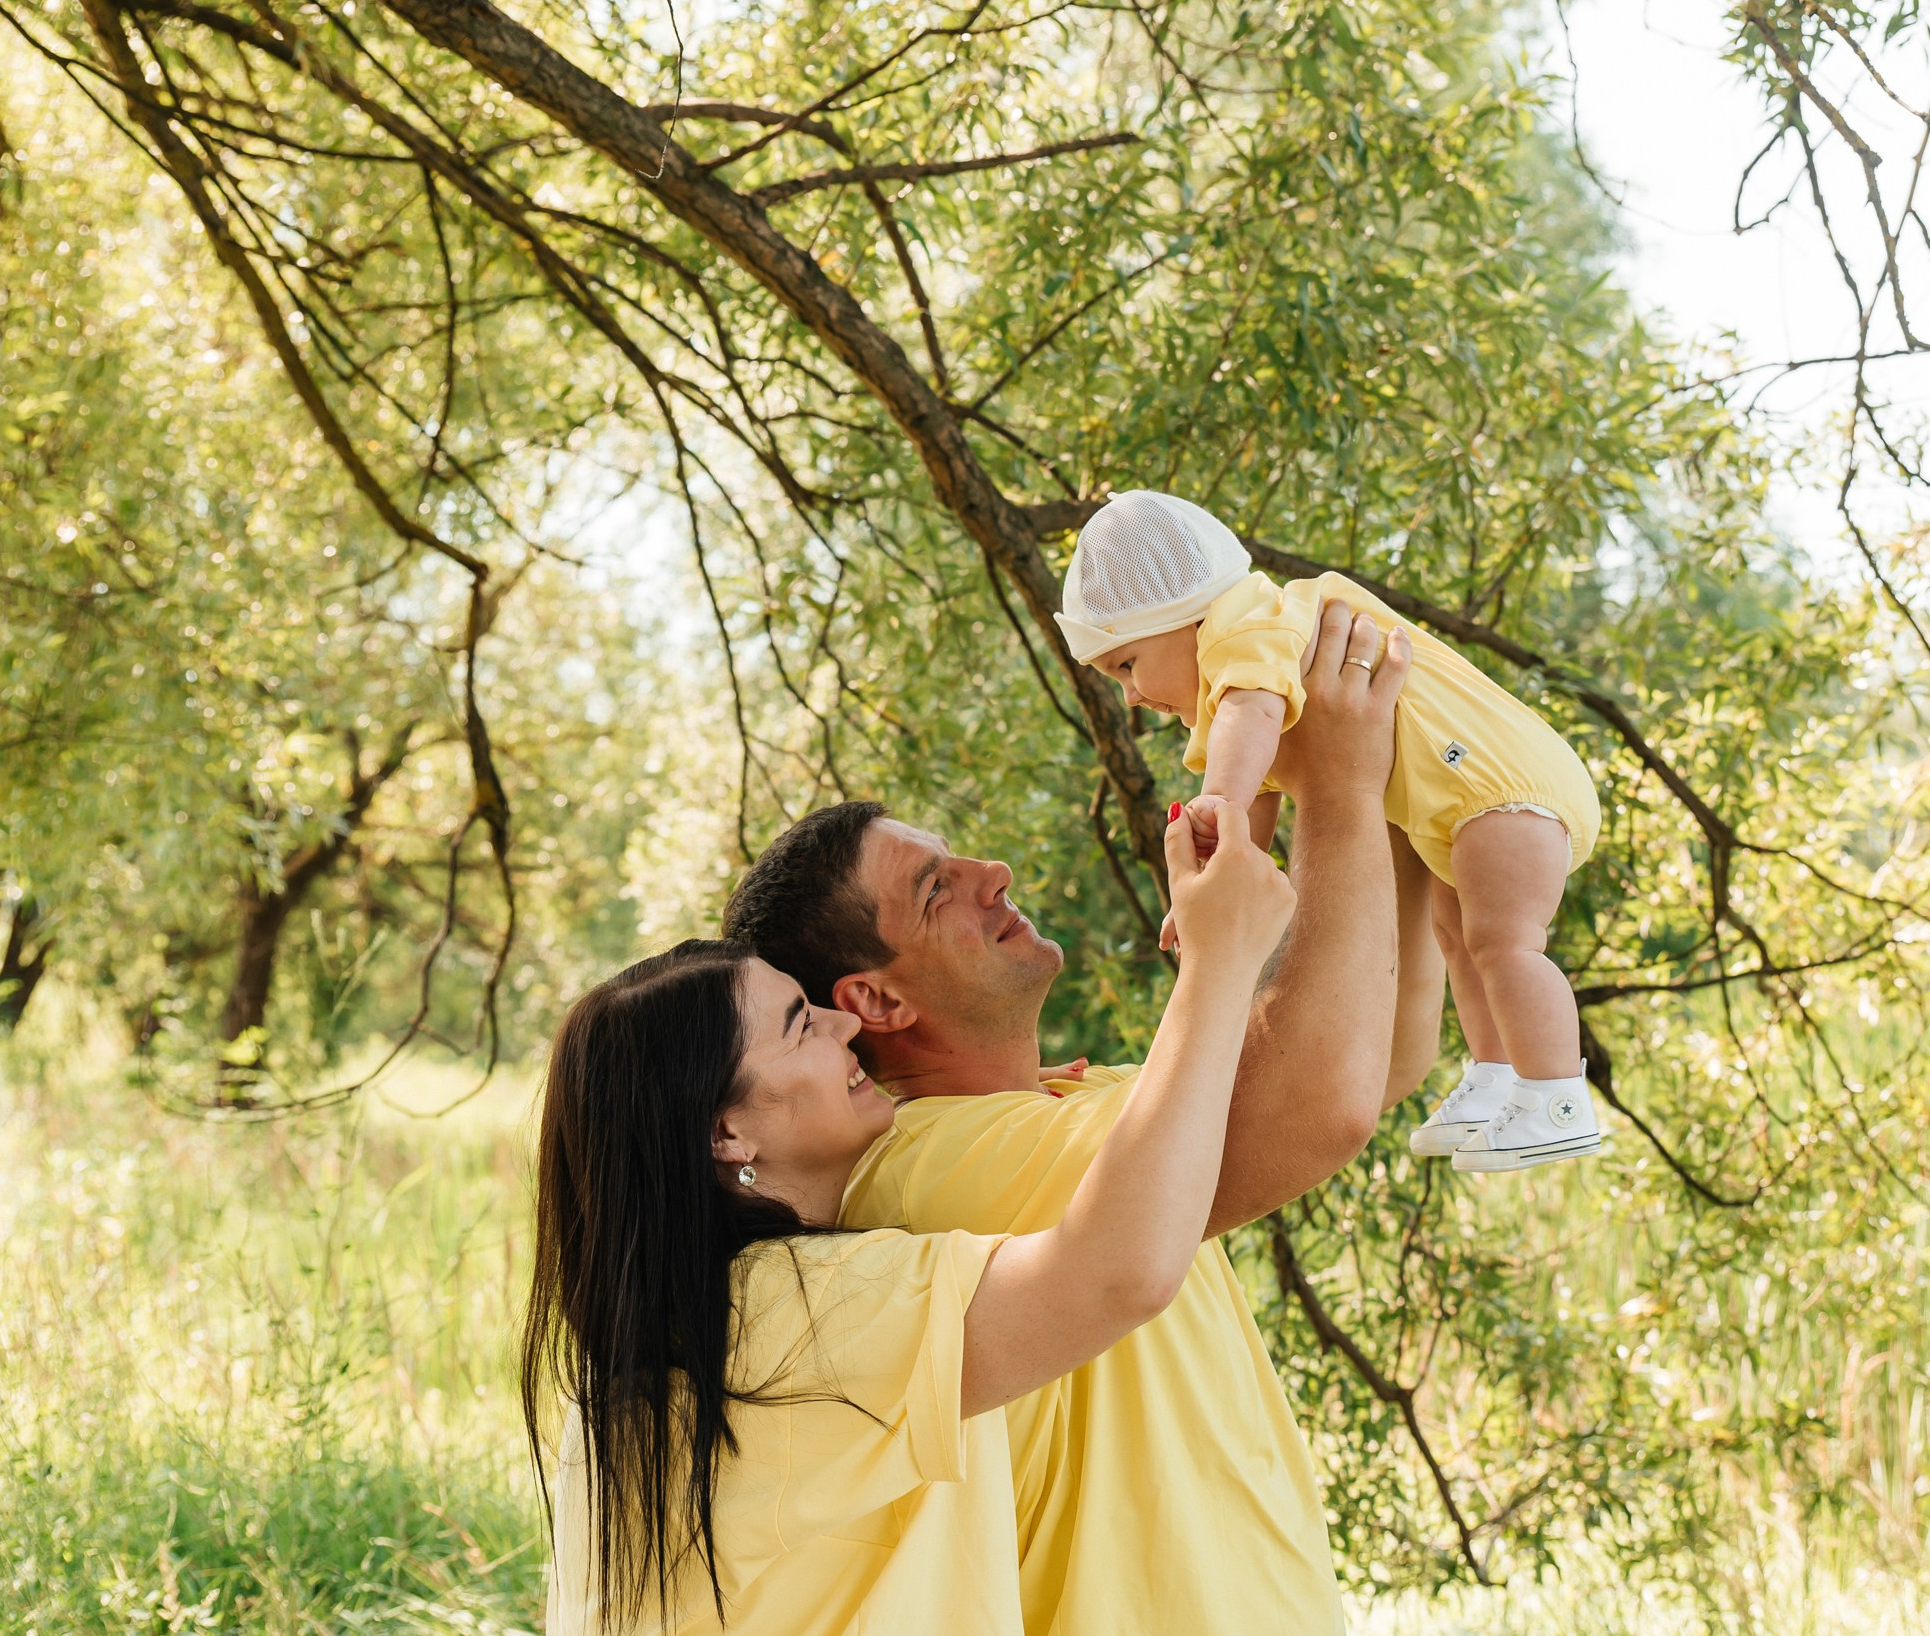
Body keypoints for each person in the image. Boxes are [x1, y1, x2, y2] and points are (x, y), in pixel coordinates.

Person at [721, 603, 1434, 1636]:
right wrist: (1340, 783)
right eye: (938, 890)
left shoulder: (1079, 1098)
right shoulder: (927, 1171)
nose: (991, 875)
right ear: (874, 1002)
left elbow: (1377, 1053)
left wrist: (1392, 810)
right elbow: (1317, 1101)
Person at [526, 796, 1294, 1634]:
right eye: (800, 1024)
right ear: (726, 1130)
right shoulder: (793, 1313)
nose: (846, 1022)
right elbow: (1121, 1270)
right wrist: (1220, 959)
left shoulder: (683, 1334)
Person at [1056, 489, 1605, 1171]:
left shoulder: (1244, 627)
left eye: (1127, 665)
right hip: (1466, 812)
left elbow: (1249, 731)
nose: (1130, 695)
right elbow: (1253, 792)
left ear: (1182, 618)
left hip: (1503, 791)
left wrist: (1216, 802)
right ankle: (1497, 1076)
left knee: (1506, 942)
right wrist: (1222, 867)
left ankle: (1555, 1096)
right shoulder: (1243, 677)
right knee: (1460, 939)